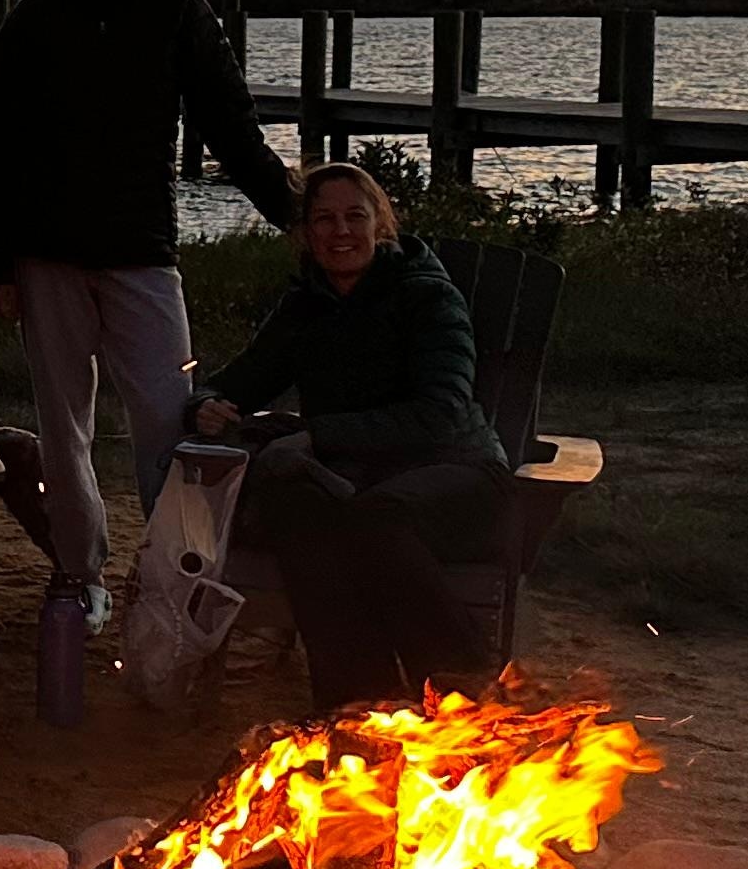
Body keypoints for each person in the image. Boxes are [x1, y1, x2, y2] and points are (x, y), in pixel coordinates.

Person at [0, 0, 298, 623]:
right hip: (46, 254)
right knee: (65, 428)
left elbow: (228, 123)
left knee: (167, 419)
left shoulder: (174, 8)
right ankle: (80, 572)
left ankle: (167, 577)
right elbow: (3, 148)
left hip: (143, 254)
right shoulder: (31, 21)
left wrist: (295, 214)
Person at [188, 159, 508, 712]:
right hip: (359, 480)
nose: (341, 232)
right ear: (305, 233)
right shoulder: (306, 306)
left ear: (381, 226)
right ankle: (358, 703)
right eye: (324, 219)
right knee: (296, 502)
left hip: (456, 475)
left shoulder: (427, 299)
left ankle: (461, 690)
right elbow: (243, 379)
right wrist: (207, 403)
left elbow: (440, 413)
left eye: (354, 217)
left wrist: (317, 436)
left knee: (370, 518)